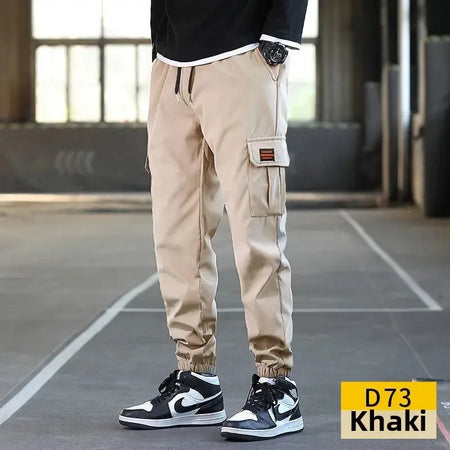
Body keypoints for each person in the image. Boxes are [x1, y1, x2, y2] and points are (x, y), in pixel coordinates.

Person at [119, 0, 309, 441]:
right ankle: (196, 379)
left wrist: (280, 35)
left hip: (242, 55)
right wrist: (161, 42)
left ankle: (277, 386)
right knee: (176, 235)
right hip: (172, 67)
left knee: (256, 232)